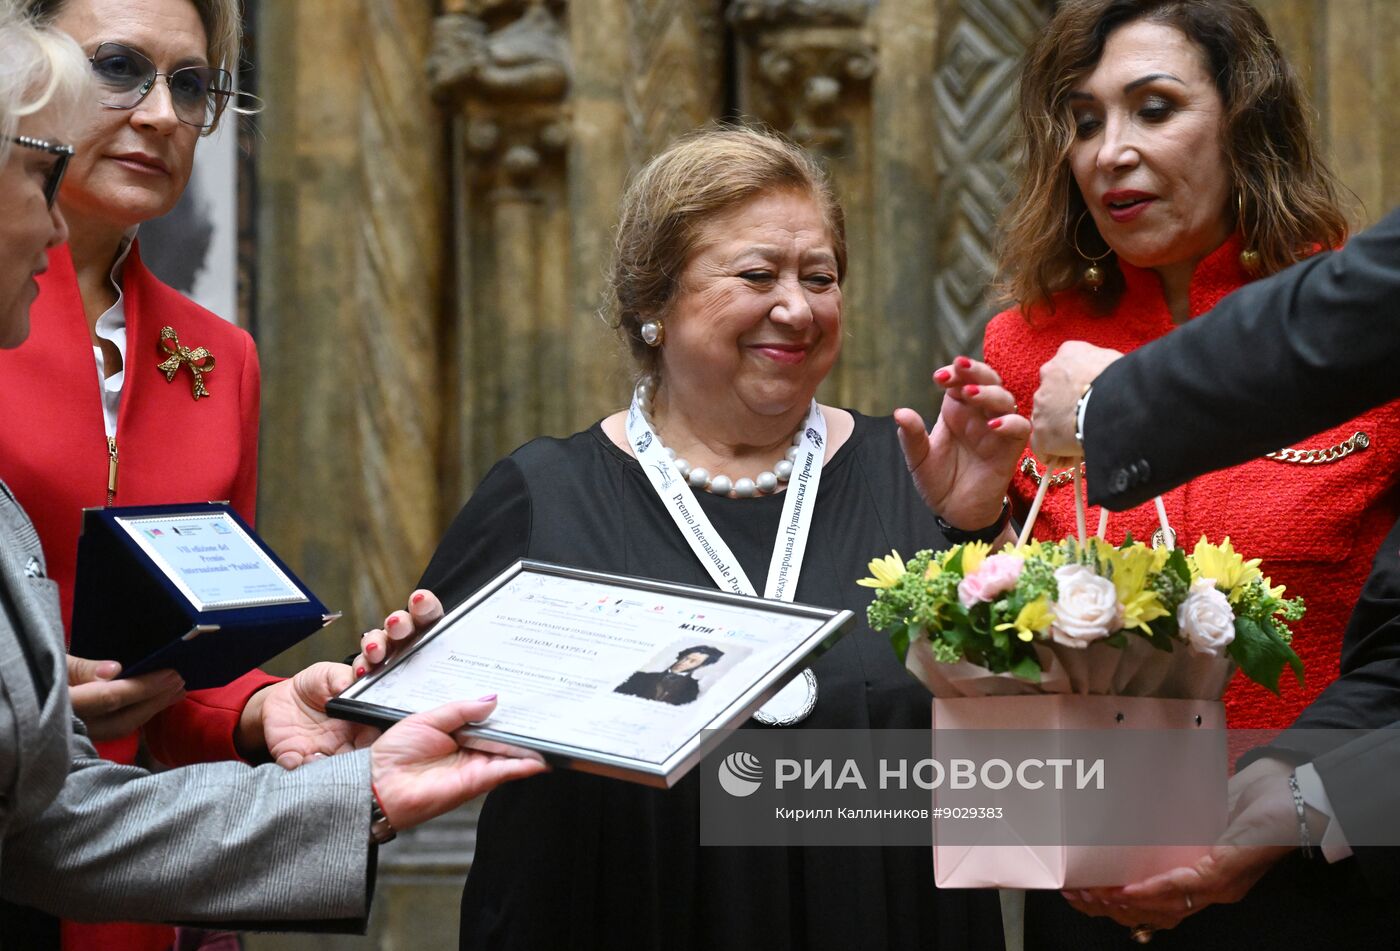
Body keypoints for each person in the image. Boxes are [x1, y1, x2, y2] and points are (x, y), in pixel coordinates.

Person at [399, 126, 1020, 951]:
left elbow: (1026, 763)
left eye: (820, 277)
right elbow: (413, 734)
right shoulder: (543, 496)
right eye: (758, 275)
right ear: (653, 302)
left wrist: (974, 527)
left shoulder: (917, 472)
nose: (796, 308)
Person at [0, 0, 545, 930]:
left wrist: (266, 709)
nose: (162, 115)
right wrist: (35, 705)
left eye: (190, 85)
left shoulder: (219, 355)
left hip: (157, 862)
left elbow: (191, 658)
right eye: (119, 67)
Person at [980, 0, 1399, 737]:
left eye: (1154, 110)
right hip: (1092, 795)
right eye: (1085, 123)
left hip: (1320, 794)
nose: (1110, 152)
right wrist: (963, 521)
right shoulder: (1024, 346)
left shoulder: (1356, 330)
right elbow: (987, 636)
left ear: (1245, 124)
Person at [1027, 205, 1400, 506]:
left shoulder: (1325, 292)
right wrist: (991, 521)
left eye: (1158, 119)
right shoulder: (1026, 336)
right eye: (1085, 134)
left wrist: (1103, 405)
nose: (1111, 155)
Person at [613, 645, 725, 705]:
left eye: (692, 661)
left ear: (700, 666)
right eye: (685, 658)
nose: (684, 662)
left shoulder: (693, 689)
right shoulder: (640, 677)